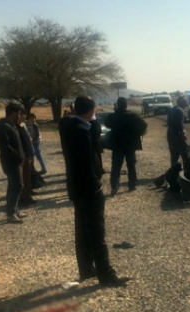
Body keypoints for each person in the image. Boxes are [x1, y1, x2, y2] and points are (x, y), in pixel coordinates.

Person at [59, 95, 130, 287]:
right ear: (91, 110)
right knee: (98, 234)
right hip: (89, 189)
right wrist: (96, 186)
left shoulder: (67, 125)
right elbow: (86, 164)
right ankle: (106, 274)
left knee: (82, 230)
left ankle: (86, 268)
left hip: (76, 188)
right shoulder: (82, 131)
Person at [0, 103, 27, 224]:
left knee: (12, 185)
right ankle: (11, 214)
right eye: (18, 114)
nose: (20, 116)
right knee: (18, 186)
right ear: (13, 113)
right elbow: (5, 147)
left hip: (15, 160)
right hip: (10, 161)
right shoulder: (4, 127)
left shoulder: (11, 125)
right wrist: (18, 156)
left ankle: (14, 211)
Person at [106, 97, 148, 195]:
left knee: (116, 167)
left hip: (117, 145)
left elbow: (107, 124)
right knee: (131, 165)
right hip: (130, 144)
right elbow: (144, 125)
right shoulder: (132, 115)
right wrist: (138, 134)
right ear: (126, 105)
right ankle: (132, 185)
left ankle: (114, 186)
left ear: (117, 105)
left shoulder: (113, 116)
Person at [17, 115, 37, 205]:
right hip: (24, 155)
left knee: (28, 176)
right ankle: (24, 196)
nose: (24, 117)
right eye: (22, 115)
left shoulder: (23, 125)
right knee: (24, 177)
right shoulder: (16, 127)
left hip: (29, 154)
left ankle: (28, 191)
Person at [167, 96, 190, 168]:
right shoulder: (179, 110)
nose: (185, 105)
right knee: (186, 154)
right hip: (177, 135)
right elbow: (180, 125)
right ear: (181, 103)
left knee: (174, 155)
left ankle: (173, 173)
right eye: (185, 103)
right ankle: (186, 171)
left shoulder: (172, 109)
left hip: (170, 134)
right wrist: (183, 134)